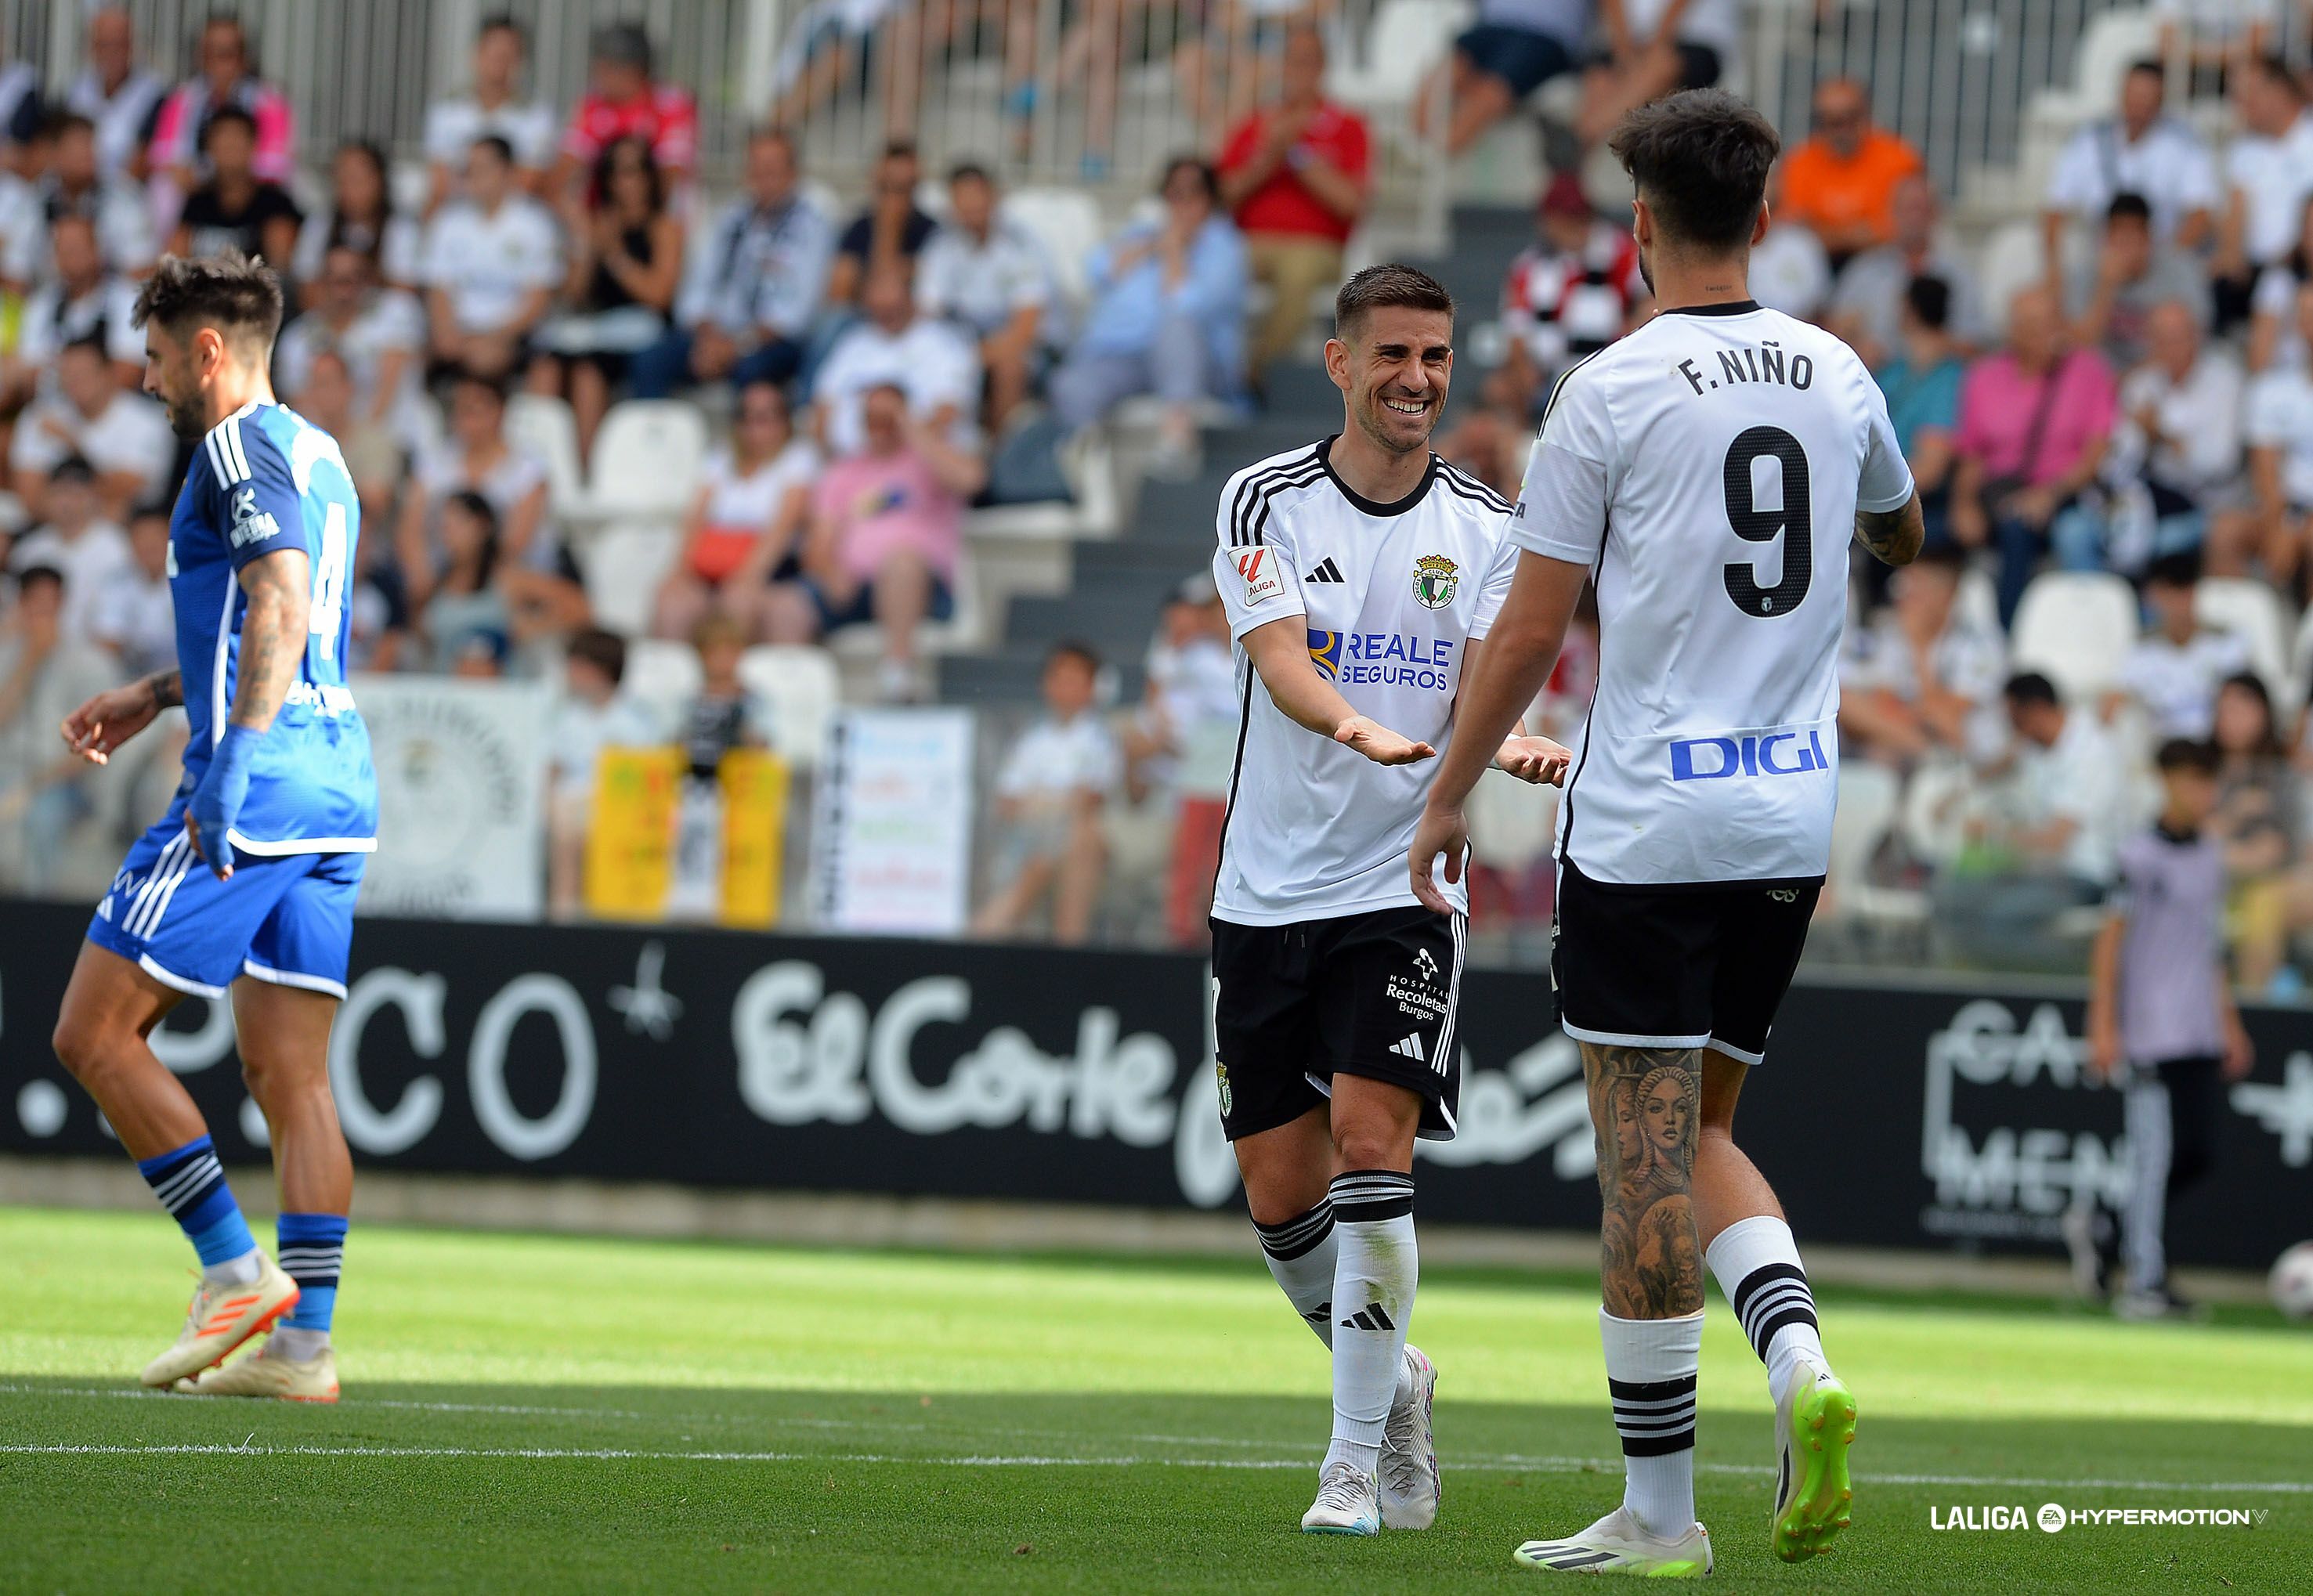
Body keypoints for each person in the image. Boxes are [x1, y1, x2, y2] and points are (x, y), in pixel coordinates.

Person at [1410, 91, 1923, 1573]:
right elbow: (1895, 528)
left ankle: (1658, 1515)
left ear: (1638, 228)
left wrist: (1448, 792)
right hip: (1787, 818)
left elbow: (1525, 625)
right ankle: (1800, 1362)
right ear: (1764, 219)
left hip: (1645, 821)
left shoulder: (1610, 389)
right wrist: (1869, 531)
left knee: (1638, 1159)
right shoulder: (1835, 373)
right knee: (1701, 1133)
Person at [1209, 263, 1567, 1540]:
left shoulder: (1483, 519)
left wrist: (1498, 745)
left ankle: (1349, 1463)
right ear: (1341, 363)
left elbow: (1492, 671)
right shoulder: (1262, 496)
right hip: (1265, 886)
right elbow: (1279, 661)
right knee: (1274, 1189)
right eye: (1394, 354)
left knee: (1372, 1144)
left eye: (1435, 354)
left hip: (1406, 878)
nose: (1417, 377)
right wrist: (1357, 721)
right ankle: (1395, 1374)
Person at [50, 250, 374, 1404]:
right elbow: (284, 620)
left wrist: (229, 764)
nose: (145, 384)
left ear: (206, 352)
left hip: (265, 781)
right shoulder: (320, 454)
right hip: (340, 788)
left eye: (152, 358)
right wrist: (158, 688)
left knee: (91, 1034)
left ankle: (234, 1272)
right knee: (294, 1076)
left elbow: (280, 601)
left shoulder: (233, 446)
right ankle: (304, 1349)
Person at [2079, 738, 2253, 1320]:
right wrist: (2103, 1023)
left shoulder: (2209, 858)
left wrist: (2228, 1022)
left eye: (2207, 781)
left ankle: (2107, 1224)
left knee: (2198, 1152)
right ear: (2166, 782)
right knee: (2152, 1160)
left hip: (2197, 1026)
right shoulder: (2136, 856)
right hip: (2150, 1026)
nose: (2199, 793)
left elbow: (2210, 948)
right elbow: (2110, 941)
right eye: (2188, 780)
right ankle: (2144, 1282)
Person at [774, 383, 982, 702]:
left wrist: (915, 429)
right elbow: (818, 541)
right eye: (872, 418)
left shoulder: (929, 460)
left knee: (901, 562)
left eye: (888, 418)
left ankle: (897, 676)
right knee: (786, 605)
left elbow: (971, 481)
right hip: (856, 588)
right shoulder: (843, 471)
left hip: (922, 588)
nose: (880, 426)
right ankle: (792, 699)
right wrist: (830, 572)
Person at [1051, 157, 1248, 472]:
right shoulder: (1143, 233)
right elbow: (1097, 270)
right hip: (1122, 356)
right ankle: (1084, 467)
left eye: (1192, 194)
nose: (1182, 204)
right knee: (1073, 384)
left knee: (1176, 326)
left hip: (1195, 363)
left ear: (1210, 200)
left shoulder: (1224, 247)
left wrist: (1173, 255)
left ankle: (1178, 440)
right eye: (1174, 194)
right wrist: (1149, 247)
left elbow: (1187, 306)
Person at [1950, 285, 2117, 626]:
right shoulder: (1984, 376)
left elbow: (2095, 454)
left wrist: (2049, 495)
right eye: (2034, 326)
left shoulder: (2089, 372)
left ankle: (2009, 635)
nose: (2049, 335)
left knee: (2023, 529)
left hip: (2066, 494)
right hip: (2000, 493)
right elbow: (1972, 454)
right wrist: (1963, 504)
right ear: (2014, 333)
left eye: (2052, 323)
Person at [1216, 24, 1371, 388]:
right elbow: (1222, 197)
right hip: (1248, 243)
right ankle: (1213, 369)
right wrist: (1269, 156)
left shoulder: (1348, 126)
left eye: (1307, 62)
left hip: (1314, 247)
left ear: (1322, 67)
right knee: (1209, 272)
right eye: (1291, 62)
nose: (1298, 71)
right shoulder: (1253, 125)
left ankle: (1254, 374)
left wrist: (1298, 155)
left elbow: (1350, 204)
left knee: (1297, 277)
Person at [636, 128, 832, 399]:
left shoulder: (811, 226)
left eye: (773, 168)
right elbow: (695, 292)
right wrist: (709, 339)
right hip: (714, 336)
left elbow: (794, 316)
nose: (764, 177)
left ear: (793, 173)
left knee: (753, 370)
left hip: (770, 343)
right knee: (652, 359)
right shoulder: (729, 219)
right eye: (757, 167)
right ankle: (654, 438)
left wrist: (735, 346)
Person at [531, 135, 684, 462]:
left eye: (635, 171)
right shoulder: (598, 223)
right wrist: (586, 244)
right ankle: (539, 465)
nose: (626, 182)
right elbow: (576, 294)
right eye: (617, 171)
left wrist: (615, 254)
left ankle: (587, 468)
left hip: (639, 335)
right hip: (598, 329)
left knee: (588, 376)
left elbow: (658, 295)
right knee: (546, 368)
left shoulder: (665, 227)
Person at [972, 640, 1121, 945]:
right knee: (1039, 855)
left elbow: (1092, 799)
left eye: (1075, 680)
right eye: (1060, 679)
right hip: (1029, 836)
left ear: (1093, 687)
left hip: (1072, 838)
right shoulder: (1031, 740)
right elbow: (1008, 803)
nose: (1066, 688)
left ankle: (1062, 938)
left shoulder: (1101, 739)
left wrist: (1043, 803)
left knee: (1075, 839)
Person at [653, 380, 819, 641]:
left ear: (784, 421)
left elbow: (784, 524)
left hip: (769, 568)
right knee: (673, 601)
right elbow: (696, 517)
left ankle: (726, 679)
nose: (755, 427)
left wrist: (748, 574)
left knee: (737, 603)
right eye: (748, 417)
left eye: (765, 418)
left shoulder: (798, 458)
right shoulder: (721, 457)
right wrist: (681, 568)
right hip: (713, 565)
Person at [2091, 300, 2242, 574]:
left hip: (2206, 504)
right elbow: (2120, 458)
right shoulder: (2142, 383)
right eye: (2160, 339)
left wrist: (2161, 434)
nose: (2170, 348)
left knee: (2163, 541)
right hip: (2148, 498)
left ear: (2197, 336)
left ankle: (2154, 613)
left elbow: (2219, 464)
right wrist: (2144, 439)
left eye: (2177, 338)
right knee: (2079, 530)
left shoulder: (2225, 381)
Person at [396, 371, 566, 613]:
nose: (468, 419)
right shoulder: (434, 462)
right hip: (440, 578)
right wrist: (421, 574)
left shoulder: (528, 470)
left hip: (504, 578)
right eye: (462, 410)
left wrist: (466, 586)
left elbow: (513, 545)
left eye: (476, 410)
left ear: (500, 412)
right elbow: (409, 527)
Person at [915, 163, 1058, 432]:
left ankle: (1000, 456)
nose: (970, 205)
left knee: (1009, 367)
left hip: (1020, 350)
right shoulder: (941, 248)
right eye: (961, 198)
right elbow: (927, 316)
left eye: (976, 196)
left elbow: (1025, 330)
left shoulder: (1022, 246)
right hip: (962, 345)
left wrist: (968, 358)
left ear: (995, 198)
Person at [1838, 545, 2007, 768]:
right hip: (1919, 739)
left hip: (1973, 754)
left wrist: (1917, 650)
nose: (1903, 598)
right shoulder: (1894, 633)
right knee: (1846, 704)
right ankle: (1926, 753)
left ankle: (1928, 754)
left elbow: (1948, 720)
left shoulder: (1981, 644)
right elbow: (1884, 698)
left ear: (1945, 596)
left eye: (1915, 590)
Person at [0, 565, 115, 893]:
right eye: (34, 603)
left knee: (39, 816)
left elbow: (97, 743)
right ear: (21, 605)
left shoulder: (89, 662)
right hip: (9, 771)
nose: (42, 614)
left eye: (50, 604)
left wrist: (31, 788)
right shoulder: (7, 654)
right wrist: (29, 662)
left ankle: (35, 919)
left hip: (63, 781)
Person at [1495, 173, 1646, 418]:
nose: (1574, 225)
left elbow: (1648, 307)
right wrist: (1530, 384)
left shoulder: (1621, 251)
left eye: (1580, 216)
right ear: (1546, 221)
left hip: (1613, 373)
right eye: (1565, 218)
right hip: (1550, 382)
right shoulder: (1528, 267)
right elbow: (1517, 336)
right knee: (1499, 390)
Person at [2043, 59, 2219, 264]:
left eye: (2146, 98)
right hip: (2101, 264)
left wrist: (2160, 266)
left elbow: (2201, 215)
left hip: (2160, 265)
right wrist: (2054, 277)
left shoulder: (2186, 144)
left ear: (2160, 101)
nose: (2138, 106)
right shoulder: (2088, 140)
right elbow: (2055, 209)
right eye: (2133, 96)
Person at [420, 136, 562, 381]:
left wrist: (495, 337)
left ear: (507, 172)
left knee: (491, 360)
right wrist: (446, 330)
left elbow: (538, 299)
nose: (473, 176)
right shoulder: (448, 221)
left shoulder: (536, 223)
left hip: (512, 336)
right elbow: (438, 288)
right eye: (468, 169)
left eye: (482, 168)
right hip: (459, 330)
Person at [544, 626, 660, 919]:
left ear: (601, 669)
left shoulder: (637, 719)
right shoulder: (566, 716)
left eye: (577, 666)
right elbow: (553, 770)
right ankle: (563, 915)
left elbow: (649, 777)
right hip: (572, 806)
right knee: (563, 816)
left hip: (620, 809)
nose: (570, 673)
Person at [272, 245, 429, 460]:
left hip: (392, 436)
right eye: (335, 280)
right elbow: (299, 404)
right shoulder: (297, 338)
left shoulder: (395, 315)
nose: (344, 289)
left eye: (352, 279)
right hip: (325, 444)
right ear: (319, 284)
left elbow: (389, 391)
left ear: (369, 281)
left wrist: (356, 441)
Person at [814, 264, 982, 460]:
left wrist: (892, 461)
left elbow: (948, 413)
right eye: (879, 309)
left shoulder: (944, 342)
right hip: (853, 465)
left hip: (921, 462)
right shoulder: (853, 343)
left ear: (912, 299)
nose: (886, 315)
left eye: (893, 307)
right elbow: (822, 409)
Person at [9, 335, 175, 523]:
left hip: (124, 536)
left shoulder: (147, 421)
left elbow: (128, 491)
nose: (75, 381)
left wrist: (74, 446)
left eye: (83, 373)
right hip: (49, 536)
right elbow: (30, 499)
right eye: (67, 374)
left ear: (107, 373)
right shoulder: (39, 417)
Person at [1828, 174, 1987, 367]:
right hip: (1872, 377)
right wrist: (1857, 345)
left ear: (1937, 215)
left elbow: (1977, 346)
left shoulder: (1958, 275)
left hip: (1937, 384)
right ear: (1891, 213)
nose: (1915, 217)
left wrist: (1942, 345)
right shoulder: (1864, 271)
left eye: (1922, 209)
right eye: (1907, 209)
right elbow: (1833, 333)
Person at [146, 15, 297, 216]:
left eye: (226, 54)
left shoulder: (270, 101)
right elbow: (162, 156)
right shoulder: (182, 98)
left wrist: (217, 174)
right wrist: (193, 176)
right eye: (209, 54)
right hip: (198, 192)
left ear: (243, 58)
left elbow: (276, 164)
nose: (217, 63)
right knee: (163, 190)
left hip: (251, 193)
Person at [1777, 78, 1926, 270]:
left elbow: (1905, 227)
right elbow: (1791, 228)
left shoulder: (1899, 159)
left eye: (1850, 117)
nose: (1841, 129)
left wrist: (1826, 231)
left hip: (1885, 265)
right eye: (1830, 121)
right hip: (1815, 265)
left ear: (1866, 115)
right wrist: (1857, 233)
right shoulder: (1799, 161)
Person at [2212, 53, 2313, 327]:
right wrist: (2232, 261)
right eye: (2236, 96)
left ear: (2279, 90)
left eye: (2247, 94)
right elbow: (2234, 219)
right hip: (2255, 278)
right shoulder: (2243, 151)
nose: (2240, 105)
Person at [1415, 1, 1587, 157]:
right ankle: (1425, 165)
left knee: (1489, 94)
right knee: (1434, 89)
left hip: (1545, 34)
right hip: (1490, 27)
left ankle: (1431, 166)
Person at [2110, 552, 2253, 739]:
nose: (2177, 604)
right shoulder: (2141, 651)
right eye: (2169, 594)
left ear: (2195, 593)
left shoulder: (2225, 644)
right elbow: (2116, 698)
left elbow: (2244, 701)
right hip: (2162, 751)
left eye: (2184, 592)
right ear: (2153, 597)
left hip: (2213, 749)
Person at [423, 14, 556, 213]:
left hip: (514, 216)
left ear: (520, 60)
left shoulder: (536, 114)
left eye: (507, 54)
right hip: (457, 213)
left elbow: (530, 181)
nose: (499, 61)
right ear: (476, 54)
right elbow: (440, 182)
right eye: (493, 52)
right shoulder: (446, 109)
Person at [1872, 276, 1968, 552]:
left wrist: (1867, 501)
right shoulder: (1893, 370)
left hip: (1909, 505)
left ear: (1908, 311)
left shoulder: (1950, 379)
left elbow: (1930, 469)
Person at [554, 22, 697, 204]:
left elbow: (671, 178)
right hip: (603, 218)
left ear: (634, 70)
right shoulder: (592, 105)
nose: (598, 75)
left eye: (606, 67)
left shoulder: (671, 105)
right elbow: (561, 174)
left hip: (657, 216)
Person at [2065, 193, 2209, 374]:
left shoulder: (2180, 270)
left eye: (2133, 236)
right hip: (2102, 382)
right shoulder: (2085, 274)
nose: (2126, 246)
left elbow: (2193, 340)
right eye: (2118, 236)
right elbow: (2079, 347)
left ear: (2148, 237)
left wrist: (2133, 377)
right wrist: (2106, 287)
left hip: (2165, 375)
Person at [2229, 280, 2313, 580]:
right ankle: (2243, 623)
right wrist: (2282, 523)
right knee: (2225, 534)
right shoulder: (2270, 389)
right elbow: (2266, 472)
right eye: (2305, 315)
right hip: (2286, 509)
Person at [11, 213, 145, 395]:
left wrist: (65, 384)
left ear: (97, 251)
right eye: (62, 249)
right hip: (52, 412)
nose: (70, 256)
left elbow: (128, 372)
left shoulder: (127, 299)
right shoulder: (41, 304)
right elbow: (26, 372)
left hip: (111, 411)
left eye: (77, 248)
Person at [1575, 0, 1739, 148]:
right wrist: (1625, 54)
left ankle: (1580, 134)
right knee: (1600, 79)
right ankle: (1571, 168)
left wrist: (1652, 49)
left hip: (1694, 40)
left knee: (1661, 66)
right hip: (1632, 46)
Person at [7, 456, 134, 645]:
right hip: (36, 653)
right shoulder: (28, 550)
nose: (66, 503)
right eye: (59, 493)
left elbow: (120, 622)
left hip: (94, 655)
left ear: (93, 496)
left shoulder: (118, 547)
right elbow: (15, 615)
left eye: (76, 494)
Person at [168, 107, 302, 268]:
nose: (230, 147)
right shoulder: (197, 203)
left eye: (237, 139)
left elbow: (281, 269)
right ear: (209, 147)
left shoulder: (275, 204)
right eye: (222, 140)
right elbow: (174, 263)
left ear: (253, 144)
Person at [291, 140, 421, 301]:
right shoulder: (320, 223)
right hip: (331, 316)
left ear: (380, 181)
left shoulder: (401, 227)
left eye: (358, 179)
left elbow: (407, 291)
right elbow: (306, 291)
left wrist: (359, 274)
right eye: (342, 179)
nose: (349, 188)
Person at [38, 111, 158, 277]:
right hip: (49, 295)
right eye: (77, 146)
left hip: (111, 294)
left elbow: (142, 269)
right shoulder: (37, 197)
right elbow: (17, 268)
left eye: (90, 144)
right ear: (55, 154)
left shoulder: (124, 196)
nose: (87, 153)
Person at [826, 140, 938, 311]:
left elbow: (891, 293)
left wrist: (889, 231)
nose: (893, 198)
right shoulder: (859, 228)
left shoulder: (932, 231)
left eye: (902, 188)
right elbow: (838, 294)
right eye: (886, 187)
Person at [64, 7, 166, 185]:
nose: (112, 53)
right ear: (92, 48)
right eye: (104, 45)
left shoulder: (155, 92)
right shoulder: (76, 89)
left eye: (119, 44)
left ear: (132, 46)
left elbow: (146, 157)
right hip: (81, 187)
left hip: (129, 192)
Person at [90, 506, 179, 680]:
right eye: (141, 537)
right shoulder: (114, 582)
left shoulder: (189, 580)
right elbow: (107, 642)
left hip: (181, 677)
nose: (149, 545)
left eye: (156, 536)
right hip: (128, 678)